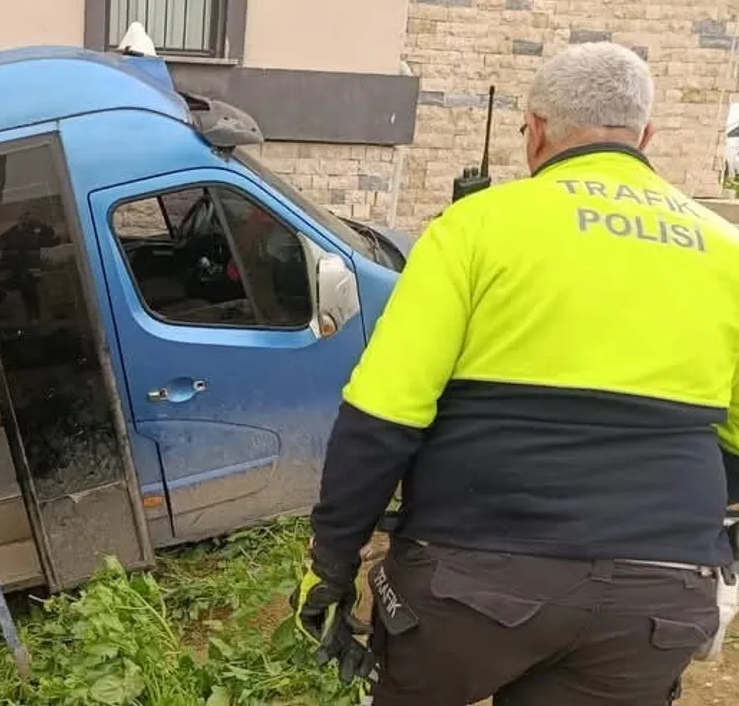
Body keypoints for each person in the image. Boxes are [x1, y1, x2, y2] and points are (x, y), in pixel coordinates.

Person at [297, 41, 739, 705]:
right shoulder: (726, 251)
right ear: (647, 136)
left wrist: (332, 560)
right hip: (658, 594)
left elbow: (384, 414)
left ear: (534, 132)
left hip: (473, 580)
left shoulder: (475, 227)